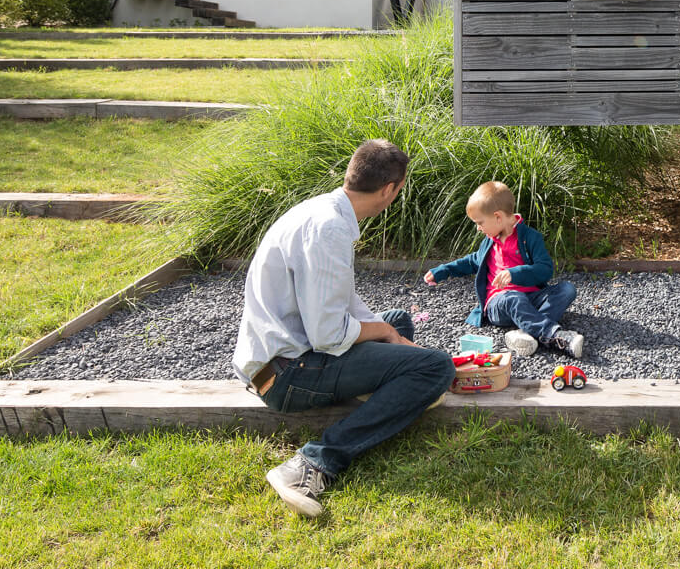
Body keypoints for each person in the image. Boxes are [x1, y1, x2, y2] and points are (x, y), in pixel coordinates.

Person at [233, 138, 455, 518]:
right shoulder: (329, 230)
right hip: (288, 375)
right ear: (389, 190)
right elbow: (328, 334)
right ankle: (312, 464)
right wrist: (386, 337)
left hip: (289, 357)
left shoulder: (325, 210)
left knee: (397, 318)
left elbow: (344, 304)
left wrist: (391, 331)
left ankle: (385, 389)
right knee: (436, 367)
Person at [424, 179, 586, 358]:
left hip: (531, 298)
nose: (478, 228)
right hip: (499, 303)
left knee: (567, 289)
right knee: (513, 298)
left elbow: (545, 270)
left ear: (498, 216)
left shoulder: (531, 238)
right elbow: (470, 262)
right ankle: (555, 336)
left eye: (480, 222)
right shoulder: (489, 242)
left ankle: (526, 333)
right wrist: (442, 271)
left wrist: (514, 273)